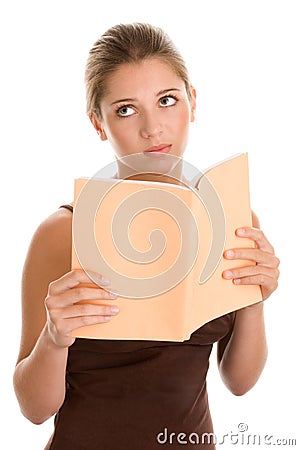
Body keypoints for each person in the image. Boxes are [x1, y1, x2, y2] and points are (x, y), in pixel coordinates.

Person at [13, 23, 280, 450]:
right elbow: (34, 408)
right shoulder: (63, 232)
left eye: (166, 101)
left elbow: (240, 382)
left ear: (192, 102)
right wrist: (55, 336)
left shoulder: (231, 215)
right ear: (98, 123)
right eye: (125, 109)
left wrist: (255, 301)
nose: (153, 128)